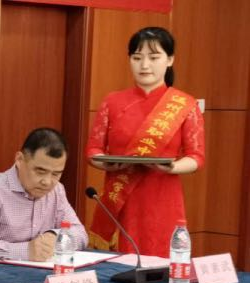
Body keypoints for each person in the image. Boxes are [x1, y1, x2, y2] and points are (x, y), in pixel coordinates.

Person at [86, 26, 205, 257]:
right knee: (119, 263)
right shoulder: (112, 101)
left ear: (170, 60)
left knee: (160, 262)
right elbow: (93, 150)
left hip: (163, 197)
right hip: (121, 197)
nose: (145, 65)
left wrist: (172, 167)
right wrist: (107, 163)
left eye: (154, 57)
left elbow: (196, 157)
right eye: (137, 57)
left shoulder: (185, 104)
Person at [0, 128, 87, 262]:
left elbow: (81, 234)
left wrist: (55, 237)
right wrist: (25, 251)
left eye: (56, 174)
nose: (47, 182)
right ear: (19, 160)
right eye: (40, 171)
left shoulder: (57, 191)